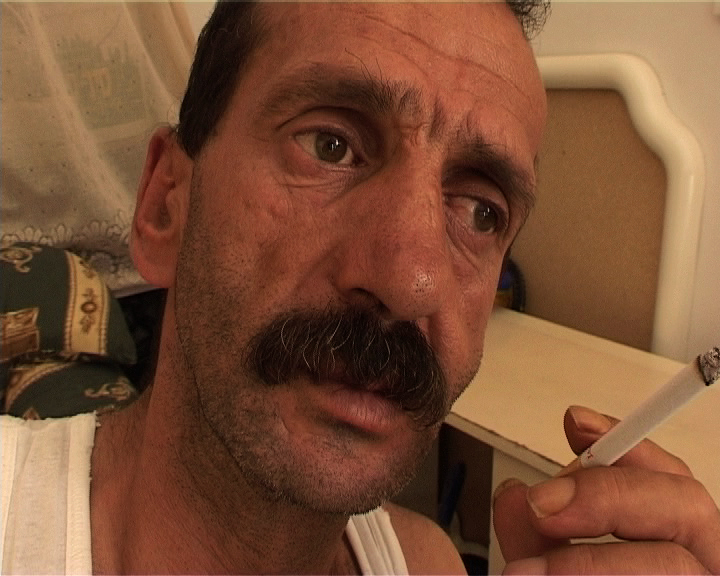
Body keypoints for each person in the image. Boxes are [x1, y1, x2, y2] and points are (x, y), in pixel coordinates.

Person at [3, 1, 720, 574]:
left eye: (480, 212)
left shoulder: (429, 562)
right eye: (331, 146)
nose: (412, 282)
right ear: (166, 202)